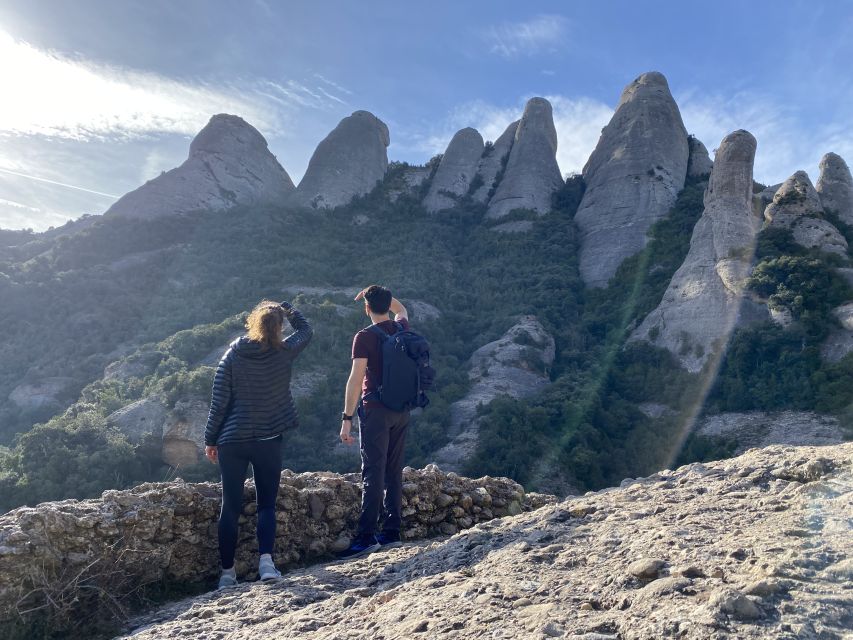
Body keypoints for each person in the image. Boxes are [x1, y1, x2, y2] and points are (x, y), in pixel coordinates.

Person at [204, 299, 312, 589]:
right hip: (267, 439)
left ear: (254, 322)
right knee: (266, 505)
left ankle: (227, 574)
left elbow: (219, 403)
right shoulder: (284, 352)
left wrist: (210, 440)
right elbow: (306, 331)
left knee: (230, 507)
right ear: (278, 329)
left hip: (232, 441)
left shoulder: (232, 355)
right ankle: (266, 564)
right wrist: (290, 309)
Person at [338, 285, 411, 558]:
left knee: (373, 471)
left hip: (376, 410)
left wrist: (346, 418)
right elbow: (401, 309)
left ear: (366, 308)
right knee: (394, 470)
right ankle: (392, 531)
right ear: (387, 304)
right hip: (402, 409)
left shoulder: (364, 337)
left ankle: (366, 536)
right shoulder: (401, 327)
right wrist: (382, 296)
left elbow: (356, 380)